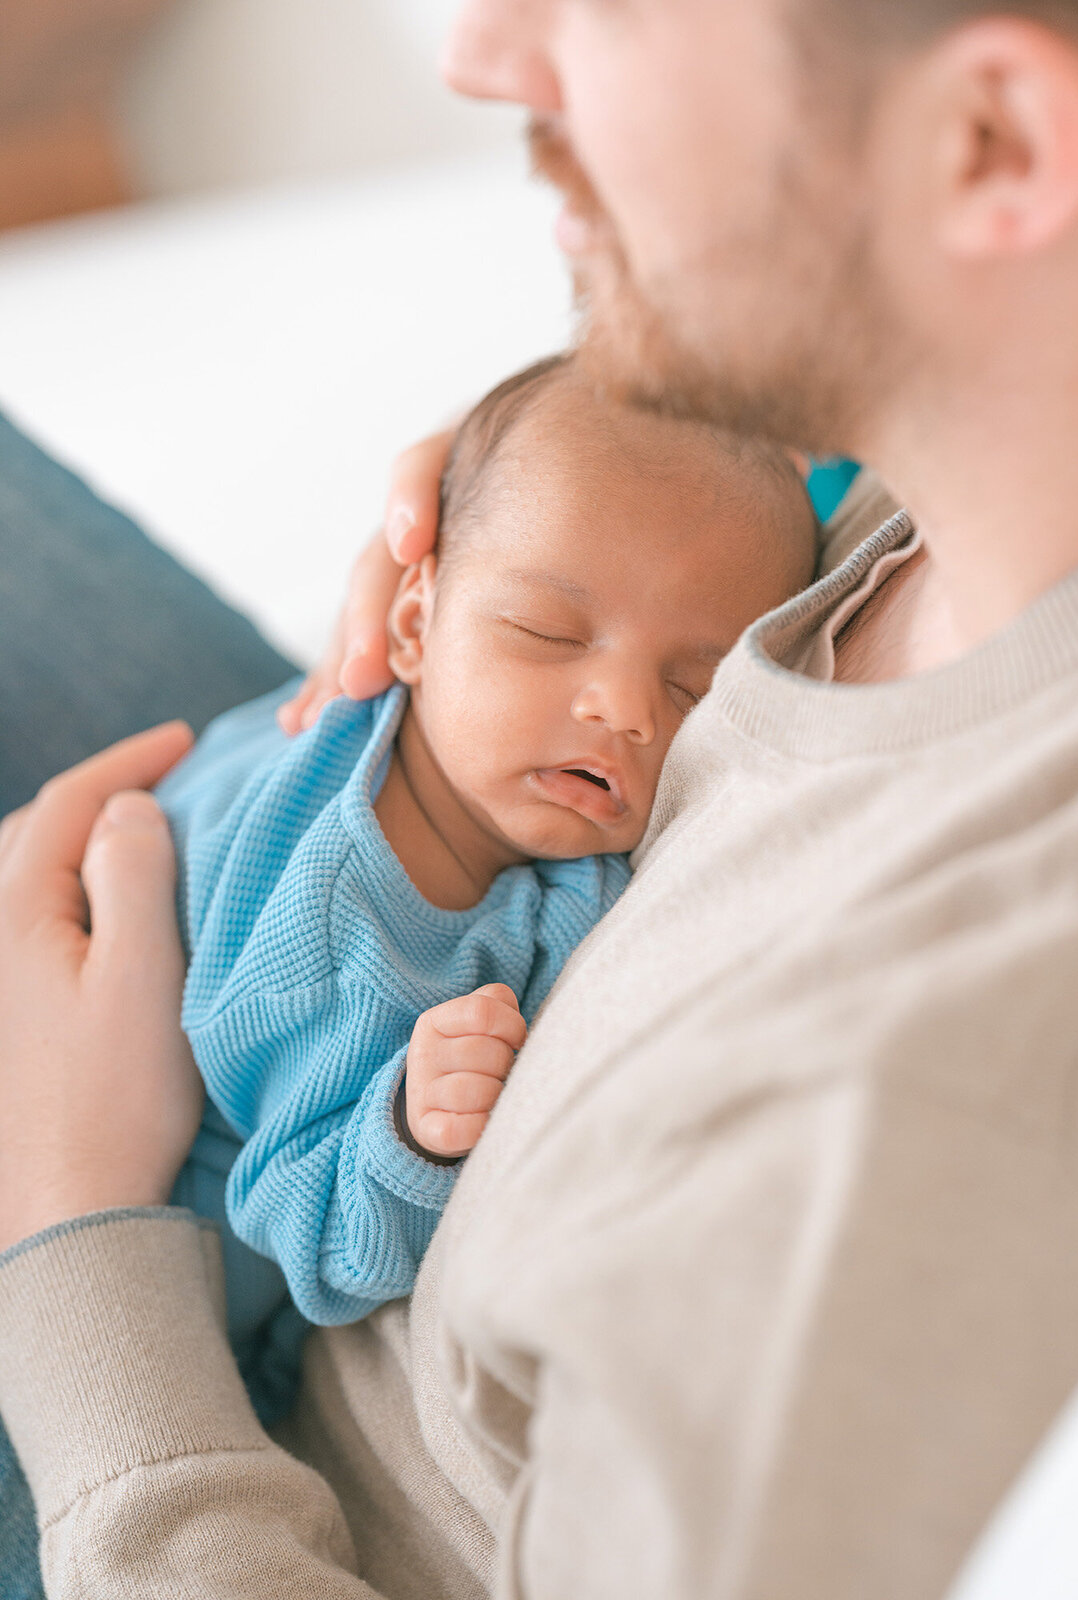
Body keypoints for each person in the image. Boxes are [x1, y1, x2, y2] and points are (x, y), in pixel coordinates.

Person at [2, 1, 1078, 1597]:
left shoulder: (934, 1136)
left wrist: (69, 1224)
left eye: (617, 11)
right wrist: (592, 459)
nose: (484, 54)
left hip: (199, 1409)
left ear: (990, 143)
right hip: (293, 794)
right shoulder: (1044, 492)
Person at [157, 353, 814, 1421]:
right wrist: (408, 1133)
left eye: (695, 685)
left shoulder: (497, 779)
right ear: (410, 626)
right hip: (170, 1274)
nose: (626, 709)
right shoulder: (339, 928)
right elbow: (309, 1236)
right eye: (549, 635)